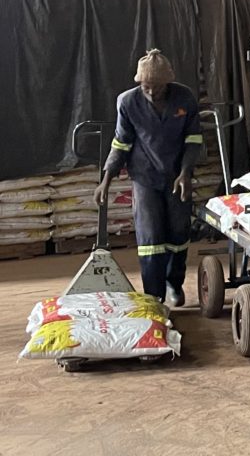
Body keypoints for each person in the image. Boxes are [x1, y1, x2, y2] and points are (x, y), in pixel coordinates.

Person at [93, 49, 202, 307]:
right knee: (150, 239)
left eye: (157, 86)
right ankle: (153, 297)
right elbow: (121, 143)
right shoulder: (128, 102)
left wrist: (186, 173)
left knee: (178, 233)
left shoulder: (184, 98)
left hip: (178, 176)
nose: (151, 91)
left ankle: (174, 283)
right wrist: (106, 180)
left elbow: (194, 139)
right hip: (144, 178)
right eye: (146, 86)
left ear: (169, 82)